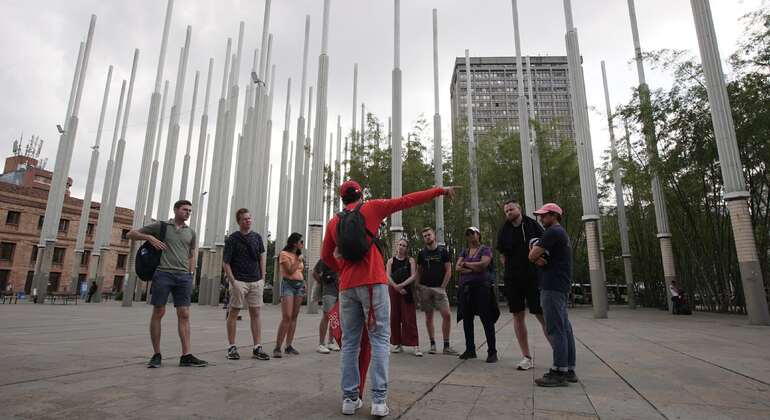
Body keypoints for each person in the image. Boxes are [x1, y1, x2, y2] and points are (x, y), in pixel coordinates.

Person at [321, 180, 457, 417]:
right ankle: (378, 401)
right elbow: (408, 200)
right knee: (380, 339)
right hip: (373, 282)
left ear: (343, 199)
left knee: (350, 344)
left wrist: (342, 269)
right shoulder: (372, 208)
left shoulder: (334, 222)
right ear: (360, 194)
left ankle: (349, 399)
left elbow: (325, 257)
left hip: (347, 288)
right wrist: (439, 191)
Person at [127, 199, 207, 368]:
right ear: (176, 210)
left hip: (183, 276)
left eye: (190, 211)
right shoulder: (161, 227)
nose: (188, 213)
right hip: (163, 274)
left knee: (184, 313)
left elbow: (192, 254)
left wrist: (191, 274)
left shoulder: (191, 232)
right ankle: (156, 354)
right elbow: (131, 234)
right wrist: (148, 236)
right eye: (185, 210)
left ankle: (186, 355)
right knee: (159, 311)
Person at [528, 203, 578, 387]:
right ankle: (569, 369)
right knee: (565, 328)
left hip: (552, 286)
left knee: (555, 328)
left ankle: (558, 371)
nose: (541, 219)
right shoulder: (562, 233)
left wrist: (533, 254)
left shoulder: (552, 232)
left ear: (554, 215)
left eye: (544, 215)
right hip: (561, 284)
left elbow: (532, 255)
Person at [496, 199, 546, 370]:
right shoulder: (504, 230)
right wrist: (510, 269)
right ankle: (526, 356)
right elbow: (502, 254)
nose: (508, 212)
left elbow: (545, 245)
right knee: (517, 315)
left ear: (519, 209)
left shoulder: (532, 225)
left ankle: (559, 353)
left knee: (541, 314)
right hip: (513, 279)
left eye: (511, 209)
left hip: (534, 277)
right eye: (506, 210)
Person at [223, 208, 270, 361]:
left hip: (255, 281)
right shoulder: (232, 239)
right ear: (239, 221)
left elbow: (261, 258)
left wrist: (262, 278)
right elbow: (226, 262)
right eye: (245, 219)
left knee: (256, 314)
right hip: (239, 281)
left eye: (249, 218)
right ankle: (231, 347)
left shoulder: (257, 237)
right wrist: (233, 281)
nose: (248, 221)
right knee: (234, 312)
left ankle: (257, 347)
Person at [456, 226, 499, 363]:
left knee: (487, 319)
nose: (470, 236)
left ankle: (492, 352)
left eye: (472, 233)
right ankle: (470, 350)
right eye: (468, 234)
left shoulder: (485, 249)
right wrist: (473, 267)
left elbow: (483, 265)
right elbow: (457, 267)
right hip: (466, 289)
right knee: (467, 319)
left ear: (478, 235)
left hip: (482, 289)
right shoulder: (465, 251)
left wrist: (466, 265)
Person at [415, 227, 459, 355]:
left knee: (447, 314)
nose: (427, 237)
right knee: (429, 316)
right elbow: (419, 270)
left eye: (429, 234)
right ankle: (432, 344)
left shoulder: (443, 251)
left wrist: (443, 287)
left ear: (434, 235)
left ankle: (446, 346)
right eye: (425, 236)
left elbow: (448, 270)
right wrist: (417, 286)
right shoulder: (422, 253)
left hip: (439, 288)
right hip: (425, 288)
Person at [387, 238, 421, 357]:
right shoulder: (390, 261)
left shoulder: (410, 260)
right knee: (394, 317)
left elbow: (413, 276)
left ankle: (415, 345)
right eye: (400, 245)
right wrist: (396, 287)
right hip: (394, 290)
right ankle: (397, 343)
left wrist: (402, 285)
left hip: (406, 290)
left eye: (404, 245)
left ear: (407, 248)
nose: (401, 247)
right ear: (397, 246)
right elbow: (387, 276)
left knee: (409, 317)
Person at [274, 232, 305, 358]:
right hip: (288, 285)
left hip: (299, 286)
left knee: (294, 316)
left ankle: (289, 345)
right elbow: (290, 270)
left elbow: (299, 271)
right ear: (294, 243)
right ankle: (277, 347)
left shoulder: (298, 256)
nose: (302, 244)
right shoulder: (284, 254)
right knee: (286, 316)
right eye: (301, 242)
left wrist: (304, 283)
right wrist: (298, 260)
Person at [313, 258, 341, 353]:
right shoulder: (326, 258)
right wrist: (323, 282)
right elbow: (315, 272)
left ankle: (331, 341)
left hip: (340, 290)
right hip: (329, 291)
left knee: (335, 316)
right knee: (326, 316)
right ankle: (321, 344)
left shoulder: (343, 256)